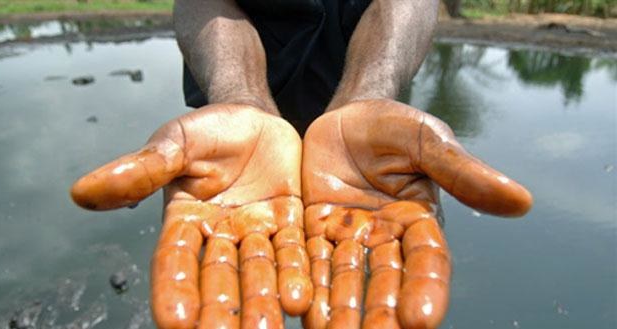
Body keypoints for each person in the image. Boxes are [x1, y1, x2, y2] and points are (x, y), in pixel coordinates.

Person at [70, 0, 533, 328]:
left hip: (369, 155)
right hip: (233, 152)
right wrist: (241, 96)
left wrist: (368, 93)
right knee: (221, 292)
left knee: (372, 300)